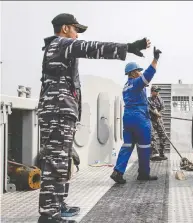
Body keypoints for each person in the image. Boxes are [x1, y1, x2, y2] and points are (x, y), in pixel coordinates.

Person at [38, 13, 150, 223]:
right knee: (55, 163)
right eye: (76, 30)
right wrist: (127, 47)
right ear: (64, 29)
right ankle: (48, 216)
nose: (77, 35)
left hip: (61, 113)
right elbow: (93, 48)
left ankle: (59, 205)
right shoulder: (61, 44)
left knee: (62, 162)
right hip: (57, 113)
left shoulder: (60, 48)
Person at [111, 46, 162, 184]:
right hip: (139, 119)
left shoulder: (126, 86)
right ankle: (143, 174)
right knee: (144, 146)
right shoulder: (136, 83)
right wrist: (155, 59)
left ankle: (118, 171)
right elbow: (148, 76)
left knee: (127, 145)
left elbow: (137, 102)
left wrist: (151, 112)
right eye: (138, 71)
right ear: (133, 73)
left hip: (128, 117)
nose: (140, 73)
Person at [148, 86, 168, 161]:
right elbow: (149, 108)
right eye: (156, 91)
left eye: (158, 91)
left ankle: (162, 154)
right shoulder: (148, 100)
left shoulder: (160, 100)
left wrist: (159, 114)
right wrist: (155, 113)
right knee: (152, 136)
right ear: (152, 92)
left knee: (163, 136)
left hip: (159, 120)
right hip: (151, 120)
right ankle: (154, 154)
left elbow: (163, 108)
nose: (157, 92)